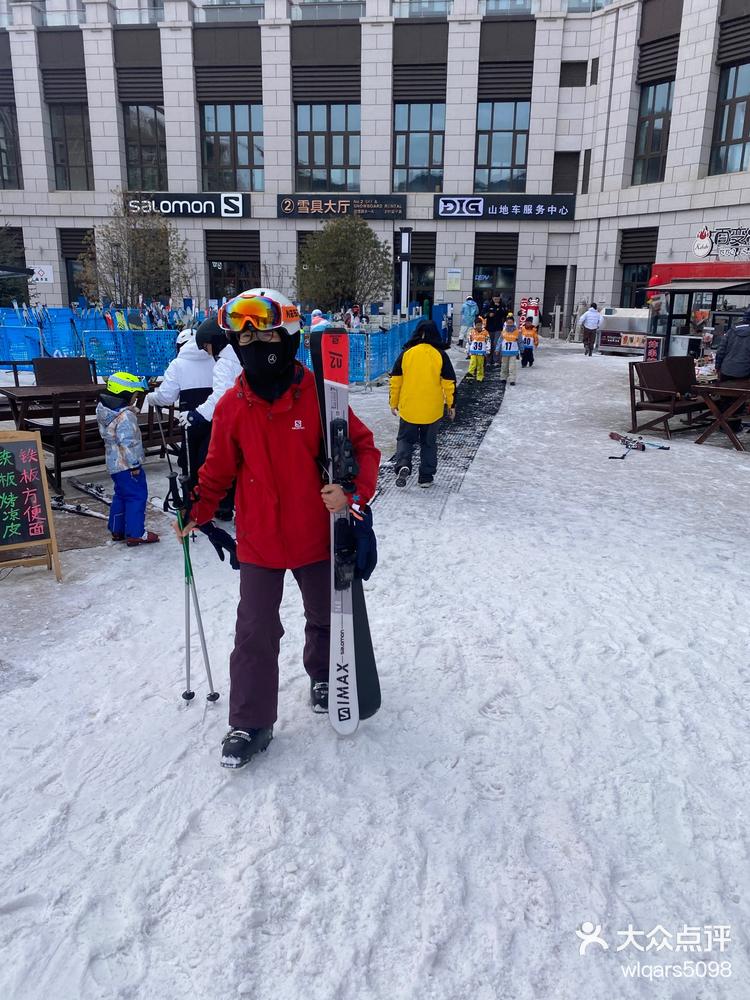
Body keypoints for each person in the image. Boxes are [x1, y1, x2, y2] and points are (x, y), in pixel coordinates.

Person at [176, 288, 380, 769]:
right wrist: (196, 510)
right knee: (254, 631)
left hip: (317, 535)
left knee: (326, 618)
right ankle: (250, 720)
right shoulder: (232, 407)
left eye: (265, 333)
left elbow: (365, 449)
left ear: (287, 337)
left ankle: (324, 675)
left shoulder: (322, 398)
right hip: (261, 542)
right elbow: (217, 473)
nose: (254, 345)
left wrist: (350, 493)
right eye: (242, 338)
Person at [178, 316, 243, 519]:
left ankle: (222, 505)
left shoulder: (224, 363)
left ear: (215, 341)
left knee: (218, 461)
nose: (207, 352)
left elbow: (220, 398)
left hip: (232, 422)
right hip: (248, 419)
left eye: (207, 347)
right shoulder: (242, 355)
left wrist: (196, 414)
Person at [389, 319, 456, 489]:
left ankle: (403, 463)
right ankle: (425, 476)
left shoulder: (406, 353)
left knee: (405, 439)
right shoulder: (440, 355)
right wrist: (451, 405)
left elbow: (396, 380)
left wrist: (393, 402)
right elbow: (449, 382)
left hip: (409, 408)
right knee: (429, 443)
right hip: (432, 410)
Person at [96, 371, 159, 547]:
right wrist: (134, 465)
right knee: (136, 496)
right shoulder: (125, 416)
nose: (135, 398)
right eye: (134, 395)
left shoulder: (104, 411)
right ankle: (136, 532)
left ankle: (117, 529)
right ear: (125, 394)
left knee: (121, 496)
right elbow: (128, 442)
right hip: (128, 465)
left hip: (114, 464)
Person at [147, 327, 215, 489]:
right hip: (215, 418)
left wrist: (152, 398)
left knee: (191, 463)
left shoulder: (178, 364)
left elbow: (167, 397)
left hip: (189, 421)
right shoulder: (214, 359)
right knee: (212, 457)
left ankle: (192, 498)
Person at [715, 310, 750, 431]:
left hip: (727, 369)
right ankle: (734, 427)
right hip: (744, 372)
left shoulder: (732, 330)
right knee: (739, 400)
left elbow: (721, 350)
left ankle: (722, 425)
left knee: (725, 398)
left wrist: (717, 366)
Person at [498, 314, 522, 385]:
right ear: (506, 323)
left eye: (511, 323)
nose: (509, 324)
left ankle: (512, 379)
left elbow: (520, 342)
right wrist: (497, 349)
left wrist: (522, 350)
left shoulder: (517, 332)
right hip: (505, 351)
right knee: (504, 365)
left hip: (513, 352)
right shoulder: (503, 332)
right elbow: (499, 341)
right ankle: (503, 378)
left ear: (513, 323)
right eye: (508, 323)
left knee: (512, 366)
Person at [482, 294, 505, 366]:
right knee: (489, 343)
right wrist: (488, 315)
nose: (496, 300)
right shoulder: (488, 305)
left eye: (498, 299)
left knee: (496, 343)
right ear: (492, 298)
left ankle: (496, 360)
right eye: (495, 299)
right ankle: (488, 360)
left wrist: (499, 308)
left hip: (498, 327)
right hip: (489, 328)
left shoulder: (502, 305)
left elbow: (506, 314)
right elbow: (482, 314)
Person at [466, 316, 490, 382]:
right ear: (474, 325)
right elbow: (469, 342)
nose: (478, 326)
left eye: (480, 325)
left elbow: (488, 341)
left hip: (481, 352)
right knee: (472, 364)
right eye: (477, 325)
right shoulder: (472, 332)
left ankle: (480, 377)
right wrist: (467, 350)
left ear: (482, 325)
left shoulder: (485, 332)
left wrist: (488, 350)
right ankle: (469, 377)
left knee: (480, 365)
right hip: (473, 351)